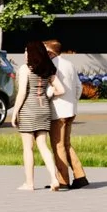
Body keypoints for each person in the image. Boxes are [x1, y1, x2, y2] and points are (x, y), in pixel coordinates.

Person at [11, 41, 59, 191]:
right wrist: (48, 94)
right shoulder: (48, 69)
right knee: (43, 146)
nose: (25, 54)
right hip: (43, 108)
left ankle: (29, 183)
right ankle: (54, 178)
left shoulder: (26, 69)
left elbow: (22, 93)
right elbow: (60, 89)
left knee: (28, 148)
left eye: (27, 51)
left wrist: (14, 113)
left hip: (28, 109)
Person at [44, 39, 88, 190]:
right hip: (71, 109)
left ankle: (63, 180)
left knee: (58, 146)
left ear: (50, 51)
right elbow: (78, 86)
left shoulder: (51, 66)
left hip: (58, 110)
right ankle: (80, 176)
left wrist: (47, 96)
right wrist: (73, 101)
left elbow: (51, 87)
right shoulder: (69, 64)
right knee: (67, 144)